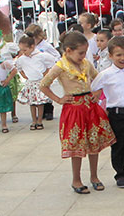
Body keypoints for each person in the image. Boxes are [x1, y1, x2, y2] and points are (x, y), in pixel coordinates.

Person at [39, 31, 116, 194]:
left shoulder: (86, 64)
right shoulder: (60, 66)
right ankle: (76, 179)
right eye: (80, 53)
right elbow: (43, 84)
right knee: (76, 144)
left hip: (89, 106)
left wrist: (97, 92)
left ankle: (94, 176)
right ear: (68, 51)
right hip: (73, 108)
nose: (82, 56)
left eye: (84, 52)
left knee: (94, 142)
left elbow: (98, 78)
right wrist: (58, 99)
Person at [90, 36, 124, 188]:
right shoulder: (105, 74)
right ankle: (120, 174)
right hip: (114, 114)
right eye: (118, 55)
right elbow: (94, 89)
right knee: (118, 145)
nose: (123, 58)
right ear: (110, 56)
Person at [15, 34, 52, 130]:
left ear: (32, 47)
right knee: (32, 103)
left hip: (39, 82)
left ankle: (39, 120)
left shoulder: (41, 56)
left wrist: (45, 76)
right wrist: (24, 75)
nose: (23, 52)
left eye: (25, 50)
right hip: (30, 82)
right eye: (21, 50)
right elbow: (19, 68)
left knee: (40, 103)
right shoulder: (22, 59)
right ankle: (33, 120)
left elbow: (50, 64)